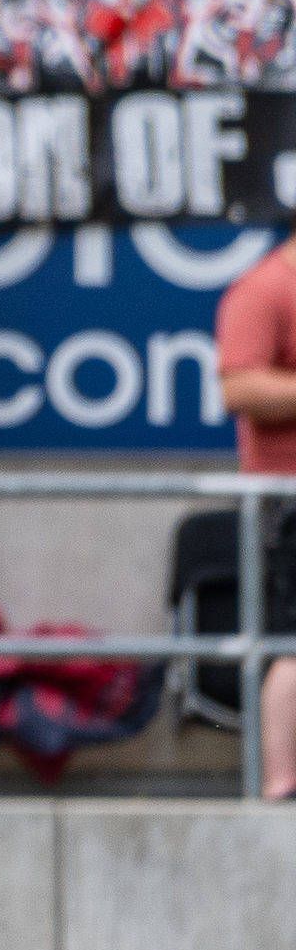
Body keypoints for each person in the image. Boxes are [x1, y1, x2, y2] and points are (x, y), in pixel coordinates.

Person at [210, 230, 296, 797]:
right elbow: (238, 388)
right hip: (289, 497)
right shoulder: (264, 289)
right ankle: (282, 787)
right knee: (294, 645)